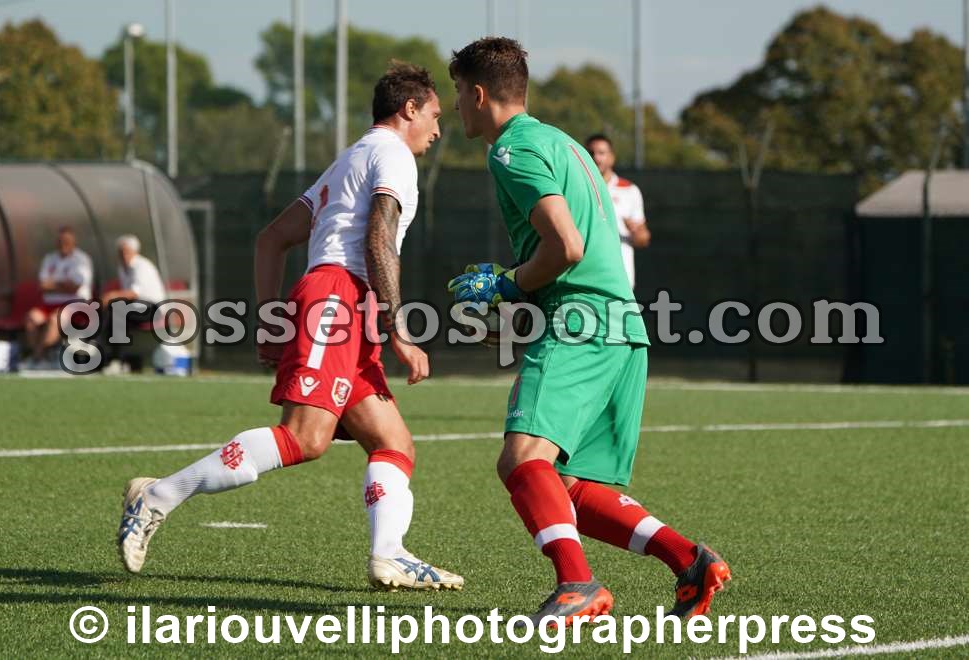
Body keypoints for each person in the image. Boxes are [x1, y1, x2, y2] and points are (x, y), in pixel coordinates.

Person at [117, 63, 464, 591]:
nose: (438, 130)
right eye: (435, 115)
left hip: (345, 305)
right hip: (338, 298)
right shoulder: (392, 153)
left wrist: (270, 318)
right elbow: (378, 237)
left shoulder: (349, 160)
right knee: (306, 438)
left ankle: (389, 554)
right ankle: (158, 495)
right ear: (409, 108)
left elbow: (271, 239)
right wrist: (400, 330)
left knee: (393, 442)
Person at [447, 38, 728, 626]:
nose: (454, 108)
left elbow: (567, 247)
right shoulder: (564, 143)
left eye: (457, 94)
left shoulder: (510, 151)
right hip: (622, 325)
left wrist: (505, 284)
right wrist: (517, 301)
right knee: (567, 484)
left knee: (521, 459)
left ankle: (577, 584)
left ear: (478, 93)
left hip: (582, 322)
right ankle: (689, 561)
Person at [585, 134, 650, 291]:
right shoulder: (576, 187)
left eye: (601, 153)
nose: (596, 158)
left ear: (611, 158)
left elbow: (643, 238)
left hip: (620, 279)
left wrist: (636, 232)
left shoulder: (629, 190)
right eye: (591, 153)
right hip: (585, 277)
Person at [25, 226, 93, 367]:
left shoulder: (81, 260)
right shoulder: (50, 258)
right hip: (49, 303)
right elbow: (42, 285)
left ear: (74, 242)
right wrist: (63, 284)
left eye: (67, 241)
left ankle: (37, 357)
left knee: (54, 319)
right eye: (61, 241)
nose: (63, 244)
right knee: (31, 318)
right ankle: (41, 357)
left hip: (75, 304)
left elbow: (74, 287)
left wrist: (54, 284)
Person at [100, 235, 167, 372]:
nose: (123, 255)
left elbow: (134, 293)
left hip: (153, 308)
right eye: (121, 252)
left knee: (117, 313)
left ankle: (117, 361)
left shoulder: (141, 266)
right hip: (136, 307)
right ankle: (109, 357)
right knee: (111, 314)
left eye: (126, 252)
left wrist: (111, 296)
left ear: (135, 252)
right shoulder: (122, 268)